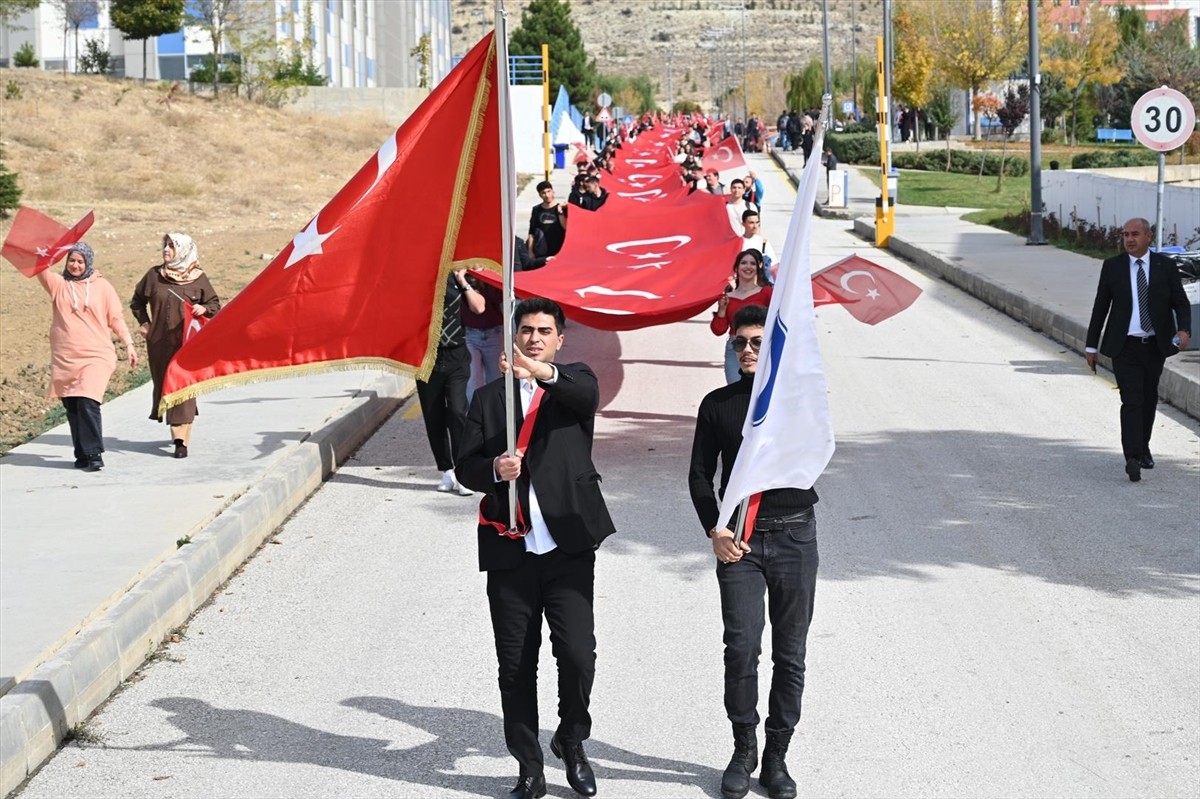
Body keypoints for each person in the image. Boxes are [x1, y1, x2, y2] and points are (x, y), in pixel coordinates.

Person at [456, 297, 616, 799]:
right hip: (510, 553)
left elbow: (586, 395)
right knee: (515, 665)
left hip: (567, 548)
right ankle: (528, 764)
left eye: (544, 331)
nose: (534, 337)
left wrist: (540, 372)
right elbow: (466, 464)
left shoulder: (572, 384)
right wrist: (492, 472)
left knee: (577, 654)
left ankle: (571, 740)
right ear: (513, 334)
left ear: (559, 338)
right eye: (526, 330)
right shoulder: (487, 399)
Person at [688, 302, 820, 799]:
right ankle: (743, 748)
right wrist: (713, 530)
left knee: (791, 655)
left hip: (794, 537)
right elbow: (700, 475)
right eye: (740, 343)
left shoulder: (798, 404)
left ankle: (777, 757)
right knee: (741, 649)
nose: (747, 350)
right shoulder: (717, 404)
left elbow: (816, 455)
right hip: (739, 539)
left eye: (758, 343)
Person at [1085, 217, 1191, 482]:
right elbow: (1100, 308)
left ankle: (1143, 448)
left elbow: (1181, 301)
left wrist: (1184, 330)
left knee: (1148, 399)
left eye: (1135, 234)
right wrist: (1091, 345)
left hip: (1155, 345)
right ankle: (1132, 457)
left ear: (1148, 237)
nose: (1129, 239)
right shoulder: (1113, 267)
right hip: (1125, 346)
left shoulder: (1165, 266)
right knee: (1131, 400)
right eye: (1125, 235)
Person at [34, 242, 137, 471]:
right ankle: (81, 453)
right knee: (72, 404)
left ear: (88, 262)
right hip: (66, 357)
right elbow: (40, 268)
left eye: (80, 261)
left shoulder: (102, 287)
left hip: (96, 355)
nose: (76, 265)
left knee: (87, 400)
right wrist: (47, 251)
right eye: (72, 260)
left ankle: (94, 454)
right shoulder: (58, 285)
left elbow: (116, 318)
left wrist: (129, 343)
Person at [130, 233, 220, 459]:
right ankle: (180, 429)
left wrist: (203, 309)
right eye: (165, 245)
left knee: (183, 387)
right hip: (159, 344)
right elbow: (137, 301)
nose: (166, 249)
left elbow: (214, 304)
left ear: (184, 250)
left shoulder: (198, 278)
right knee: (165, 386)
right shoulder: (154, 275)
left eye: (172, 246)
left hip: (187, 344)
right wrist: (145, 324)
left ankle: (181, 440)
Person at [418, 271, 476, 496]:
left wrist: (463, 281)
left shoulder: (459, 274)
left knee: (457, 411)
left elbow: (478, 307)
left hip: (455, 355)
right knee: (434, 416)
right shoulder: (418, 279)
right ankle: (446, 470)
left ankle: (462, 472)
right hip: (426, 357)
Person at [711, 249, 773, 384]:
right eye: (743, 263)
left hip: (760, 348)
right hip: (735, 348)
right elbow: (718, 330)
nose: (748, 267)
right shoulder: (728, 297)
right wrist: (722, 310)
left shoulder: (768, 293)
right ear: (737, 268)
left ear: (759, 266)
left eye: (752, 263)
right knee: (735, 390)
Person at [461, 267, 503, 404]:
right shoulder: (461, 277)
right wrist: (463, 279)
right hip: (470, 334)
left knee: (495, 379)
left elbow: (498, 297)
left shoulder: (490, 273)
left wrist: (486, 275)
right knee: (473, 380)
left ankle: (495, 414)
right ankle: (476, 418)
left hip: (494, 333)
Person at [527, 181, 568, 258]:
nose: (547, 195)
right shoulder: (536, 210)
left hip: (559, 251)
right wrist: (530, 251)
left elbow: (566, 228)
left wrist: (560, 211)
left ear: (553, 191)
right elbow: (531, 232)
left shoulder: (563, 208)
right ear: (540, 195)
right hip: (542, 252)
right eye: (543, 193)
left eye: (549, 191)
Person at [739, 211, 777, 277]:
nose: (755, 226)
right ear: (743, 224)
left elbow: (774, 265)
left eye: (757, 222)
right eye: (751, 223)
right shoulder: (737, 243)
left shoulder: (763, 242)